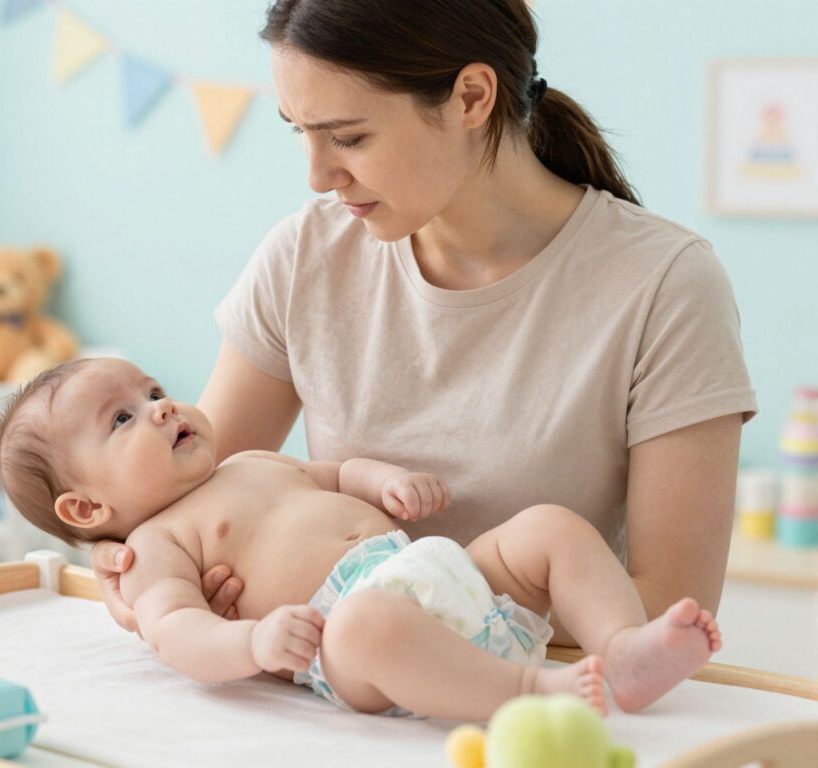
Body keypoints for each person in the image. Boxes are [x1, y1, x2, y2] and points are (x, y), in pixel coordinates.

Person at [93, 0, 756, 649]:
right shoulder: (304, 258)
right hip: (339, 695)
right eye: (299, 130)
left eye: (348, 137)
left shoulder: (665, 284)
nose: (319, 175)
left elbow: (672, 608)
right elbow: (185, 492)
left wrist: (450, 656)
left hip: (550, 701)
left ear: (471, 97)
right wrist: (132, 569)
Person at [0, 357, 722, 719]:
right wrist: (251, 643)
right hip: (352, 639)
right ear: (85, 510)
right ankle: (531, 691)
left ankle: (623, 648)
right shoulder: (153, 548)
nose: (159, 409)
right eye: (120, 420)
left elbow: (332, 471)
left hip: (442, 574)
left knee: (550, 527)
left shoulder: (248, 462)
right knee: (373, 624)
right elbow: (176, 629)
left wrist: (382, 483)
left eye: (151, 393)